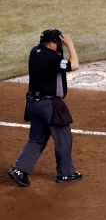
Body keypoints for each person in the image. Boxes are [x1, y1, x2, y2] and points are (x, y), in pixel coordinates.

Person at [8, 29, 82, 187]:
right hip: (50, 105)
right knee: (63, 137)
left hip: (33, 104)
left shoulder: (34, 52)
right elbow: (74, 65)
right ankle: (66, 173)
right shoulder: (52, 58)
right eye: (57, 43)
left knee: (37, 139)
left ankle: (19, 169)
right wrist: (70, 45)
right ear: (51, 43)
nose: (59, 46)